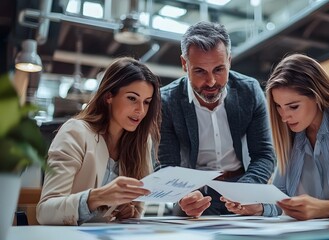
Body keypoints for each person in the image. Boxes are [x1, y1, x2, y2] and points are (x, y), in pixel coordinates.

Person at [222, 53, 329, 220]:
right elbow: (282, 196)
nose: (284, 117)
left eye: (293, 106)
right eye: (279, 107)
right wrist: (259, 208)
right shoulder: (292, 133)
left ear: (316, 96)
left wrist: (322, 208)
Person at [158, 21, 276, 217]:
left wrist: (245, 190)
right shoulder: (166, 101)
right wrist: (182, 195)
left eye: (219, 69)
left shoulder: (250, 91)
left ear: (229, 60)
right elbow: (166, 163)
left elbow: (264, 154)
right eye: (200, 71)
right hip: (193, 194)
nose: (211, 81)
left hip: (243, 185)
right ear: (184, 64)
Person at [37, 57, 161, 225]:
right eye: (132, 98)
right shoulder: (76, 132)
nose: (140, 110)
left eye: (146, 102)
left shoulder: (141, 141)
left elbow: (137, 209)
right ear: (109, 96)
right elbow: (45, 211)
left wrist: (130, 212)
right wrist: (96, 197)